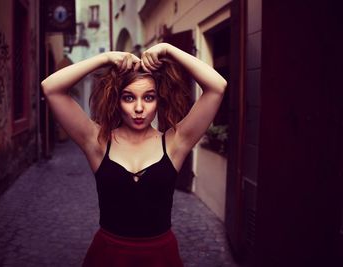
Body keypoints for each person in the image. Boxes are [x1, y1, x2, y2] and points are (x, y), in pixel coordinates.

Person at [41, 42, 227, 267]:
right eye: (129, 97)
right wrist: (105, 58)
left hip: (161, 256)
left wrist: (169, 50)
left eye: (149, 97)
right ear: (117, 101)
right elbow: (51, 87)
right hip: (108, 255)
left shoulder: (175, 143)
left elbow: (217, 86)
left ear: (158, 101)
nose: (139, 108)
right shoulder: (98, 141)